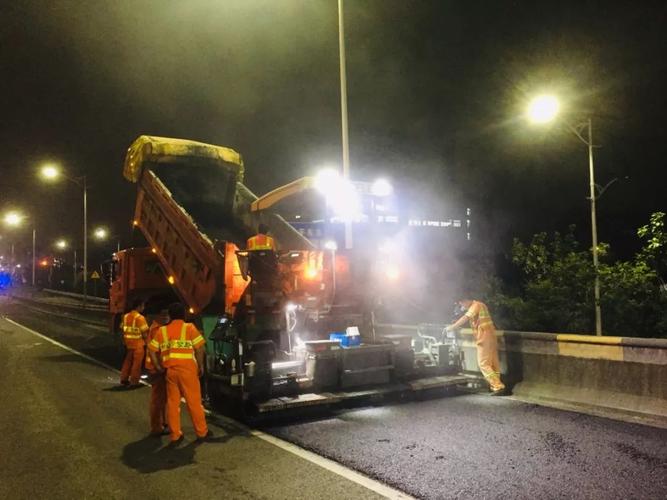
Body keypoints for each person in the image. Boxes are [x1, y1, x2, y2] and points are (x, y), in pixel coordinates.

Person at [148, 302, 209, 444]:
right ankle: (201, 432)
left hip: (170, 372)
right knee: (194, 403)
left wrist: (158, 366)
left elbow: (151, 349)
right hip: (187, 371)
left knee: (172, 404)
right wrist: (200, 366)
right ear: (184, 314)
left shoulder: (162, 331)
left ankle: (175, 435)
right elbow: (200, 349)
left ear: (170, 315)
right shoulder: (189, 328)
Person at [446, 296, 507, 395]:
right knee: (492, 363)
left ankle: (498, 386)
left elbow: (466, 317)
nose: (461, 306)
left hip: (484, 337)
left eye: (461, 304)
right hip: (491, 336)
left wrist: (452, 327)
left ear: (465, 300)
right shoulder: (481, 305)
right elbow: (474, 320)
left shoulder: (475, 305)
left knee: (483, 363)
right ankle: (494, 385)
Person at [145, 308, 170, 436]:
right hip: (157, 369)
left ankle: (164, 423)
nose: (167, 318)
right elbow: (155, 351)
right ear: (158, 316)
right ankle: (156, 427)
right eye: (164, 315)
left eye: (167, 315)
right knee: (158, 399)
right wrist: (159, 368)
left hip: (157, 367)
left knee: (162, 398)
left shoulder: (157, 327)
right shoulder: (158, 330)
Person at [120, 299, 149, 387]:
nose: (143, 308)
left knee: (128, 362)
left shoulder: (125, 316)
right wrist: (148, 344)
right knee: (137, 364)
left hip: (129, 343)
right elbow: (144, 333)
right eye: (143, 306)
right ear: (139, 306)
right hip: (138, 344)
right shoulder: (140, 318)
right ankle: (134, 381)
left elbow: (122, 329)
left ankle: (124, 379)